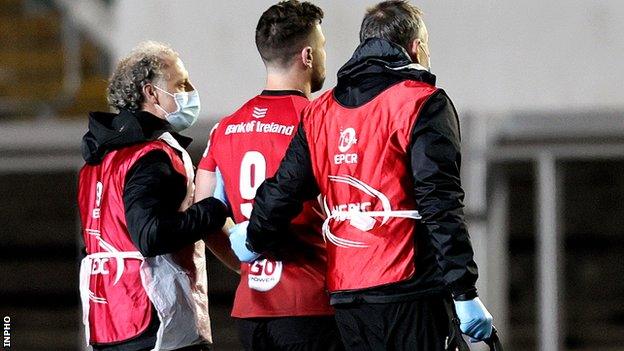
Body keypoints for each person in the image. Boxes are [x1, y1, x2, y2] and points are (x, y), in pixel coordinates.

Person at [228, 1, 495, 350]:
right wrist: (464, 290)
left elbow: (283, 190)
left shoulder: (321, 112)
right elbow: (440, 204)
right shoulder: (422, 103)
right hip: (409, 289)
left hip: (346, 295)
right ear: (415, 46)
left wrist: (254, 238)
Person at [194, 1, 343, 350]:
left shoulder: (226, 127)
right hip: (311, 305)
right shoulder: (321, 121)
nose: (323, 56)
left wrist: (246, 261)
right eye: (321, 48)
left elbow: (205, 217)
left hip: (252, 309)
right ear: (307, 56)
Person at [77, 41, 227, 351]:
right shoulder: (152, 156)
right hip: (154, 320)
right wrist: (213, 209)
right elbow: (150, 235)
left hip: (107, 322)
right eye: (180, 83)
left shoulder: (95, 162)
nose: (189, 90)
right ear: (151, 92)